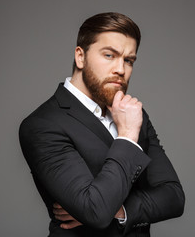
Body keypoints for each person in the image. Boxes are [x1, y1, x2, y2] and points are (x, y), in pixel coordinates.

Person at [19, 12, 185, 237]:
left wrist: (121, 211)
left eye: (129, 60)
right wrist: (127, 135)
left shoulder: (135, 115)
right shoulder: (42, 125)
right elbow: (95, 211)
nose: (121, 69)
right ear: (80, 56)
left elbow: (174, 197)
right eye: (109, 55)